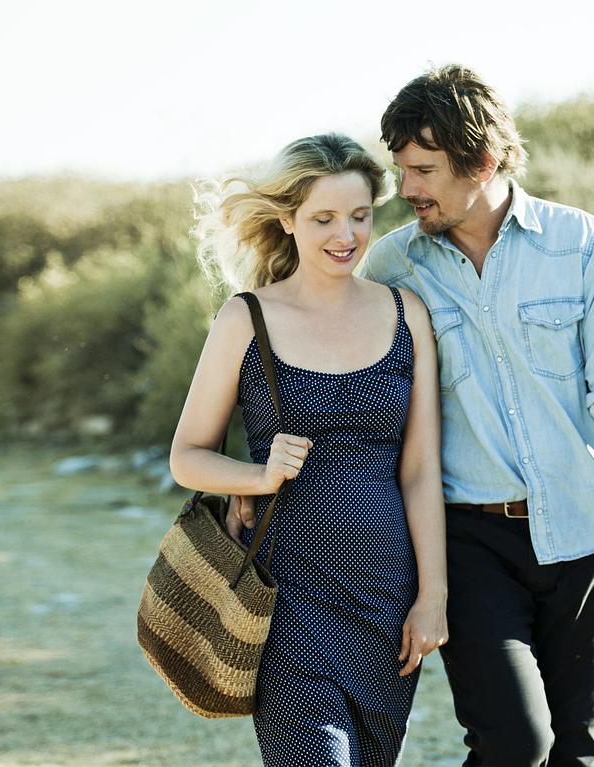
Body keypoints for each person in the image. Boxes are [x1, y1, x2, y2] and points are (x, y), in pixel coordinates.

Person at [354, 65, 594, 766]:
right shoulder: (391, 268)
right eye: (402, 169)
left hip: (585, 533)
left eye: (423, 170)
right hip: (469, 540)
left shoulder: (581, 244)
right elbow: (347, 395)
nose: (405, 188)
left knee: (574, 753)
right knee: (514, 742)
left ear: (482, 161)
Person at [169, 133, 447, 767]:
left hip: (385, 592)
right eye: (324, 219)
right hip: (285, 594)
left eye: (359, 215)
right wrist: (257, 477)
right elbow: (187, 455)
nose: (345, 235)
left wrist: (433, 596)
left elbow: (420, 471)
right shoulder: (245, 319)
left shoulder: (407, 314)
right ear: (288, 220)